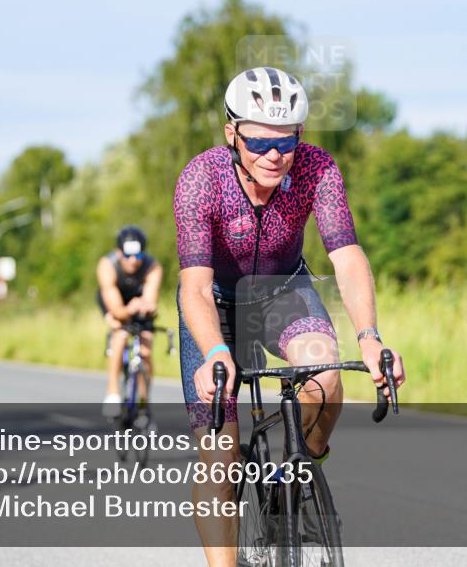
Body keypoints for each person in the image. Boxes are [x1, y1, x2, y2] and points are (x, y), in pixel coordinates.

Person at [174, 66, 406, 565]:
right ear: (232, 134)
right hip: (214, 304)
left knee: (326, 378)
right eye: (259, 144)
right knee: (220, 455)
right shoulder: (201, 179)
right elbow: (193, 284)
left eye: (287, 141)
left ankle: (302, 471)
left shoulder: (317, 169)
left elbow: (346, 254)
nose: (275, 156)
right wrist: (215, 350)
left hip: (283, 291)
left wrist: (370, 336)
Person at [96, 226, 163, 417]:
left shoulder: (152, 266)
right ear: (119, 253)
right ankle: (112, 392)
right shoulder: (107, 265)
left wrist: (147, 306)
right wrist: (125, 311)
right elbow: (117, 309)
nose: (133, 261)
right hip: (114, 302)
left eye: (138, 255)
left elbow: (150, 298)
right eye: (128, 255)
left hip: (138, 302)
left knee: (146, 348)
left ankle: (143, 403)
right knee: (120, 335)